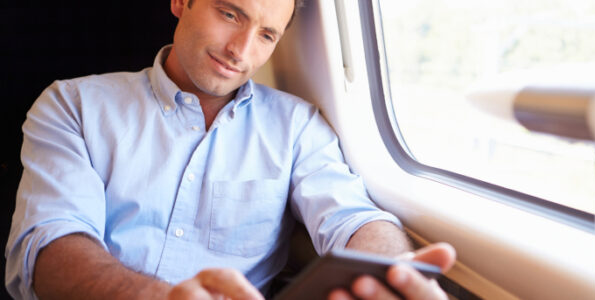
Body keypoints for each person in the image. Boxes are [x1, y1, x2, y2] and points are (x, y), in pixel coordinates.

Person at [5, 0, 456, 299]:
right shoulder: (73, 104)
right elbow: (49, 248)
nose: (241, 50)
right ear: (182, 1)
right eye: (230, 14)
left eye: (266, 35)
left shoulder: (297, 127)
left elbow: (354, 219)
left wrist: (393, 269)